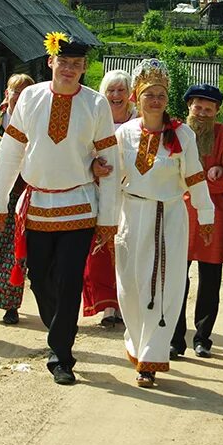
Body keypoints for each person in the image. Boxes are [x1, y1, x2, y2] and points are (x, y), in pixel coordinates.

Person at [0, 32, 120, 386]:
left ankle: (61, 355)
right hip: (37, 206)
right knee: (39, 276)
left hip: (79, 206)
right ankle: (57, 326)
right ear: (51, 62)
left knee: (70, 280)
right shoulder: (29, 97)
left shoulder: (96, 104)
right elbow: (11, 152)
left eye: (77, 64)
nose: (70, 69)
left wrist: (108, 216)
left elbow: (110, 161)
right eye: (64, 62)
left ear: (85, 68)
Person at [113, 59, 215, 388]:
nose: (155, 100)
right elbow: (111, 178)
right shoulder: (123, 133)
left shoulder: (181, 133)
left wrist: (207, 213)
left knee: (165, 286)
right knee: (130, 287)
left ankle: (151, 358)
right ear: (136, 98)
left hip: (169, 216)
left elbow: (196, 176)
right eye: (148, 95)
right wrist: (104, 220)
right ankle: (136, 343)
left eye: (160, 95)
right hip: (132, 215)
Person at [170, 83, 223, 359]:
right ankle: (176, 339)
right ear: (189, 107)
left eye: (208, 109)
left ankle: (203, 338)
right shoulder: (175, 133)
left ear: (217, 111)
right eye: (197, 107)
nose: (202, 113)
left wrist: (205, 180)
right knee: (177, 280)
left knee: (210, 282)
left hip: (216, 216)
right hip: (181, 215)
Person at [0, 73, 35, 325]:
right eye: (16, 90)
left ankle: (10, 304)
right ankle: (4, 292)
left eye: (26, 91)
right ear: (7, 93)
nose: (20, 96)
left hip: (23, 193)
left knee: (16, 249)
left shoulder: (36, 120)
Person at [83, 70, 135, 327]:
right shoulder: (93, 119)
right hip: (100, 193)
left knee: (127, 248)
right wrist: (92, 165)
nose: (116, 96)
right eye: (110, 91)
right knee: (100, 251)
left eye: (121, 90)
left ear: (130, 93)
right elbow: (80, 153)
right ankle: (107, 307)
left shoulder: (139, 121)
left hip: (130, 195)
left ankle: (125, 305)